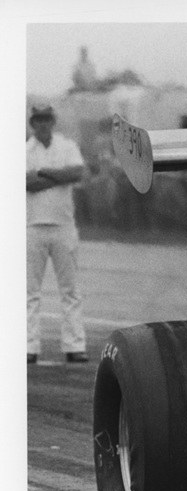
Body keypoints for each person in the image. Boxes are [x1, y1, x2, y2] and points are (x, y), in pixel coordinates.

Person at [27, 103, 86, 365]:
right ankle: (29, 345)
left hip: (63, 226)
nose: (43, 123)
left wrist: (42, 173)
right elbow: (23, 181)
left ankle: (75, 345)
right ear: (32, 122)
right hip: (32, 226)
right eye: (38, 119)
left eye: (47, 119)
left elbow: (77, 172)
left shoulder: (67, 146)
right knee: (29, 291)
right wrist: (59, 176)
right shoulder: (24, 149)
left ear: (53, 121)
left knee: (70, 290)